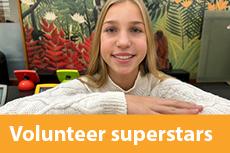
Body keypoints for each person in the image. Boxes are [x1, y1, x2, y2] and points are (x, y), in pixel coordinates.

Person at [0, 0, 230, 114]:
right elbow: (7, 116)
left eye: (135, 30)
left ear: (148, 40)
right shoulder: (82, 88)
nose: (123, 41)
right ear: (99, 40)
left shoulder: (164, 89)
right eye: (111, 30)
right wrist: (119, 104)